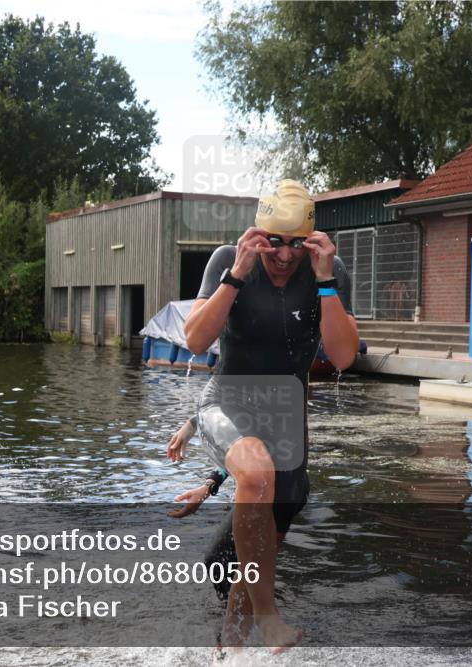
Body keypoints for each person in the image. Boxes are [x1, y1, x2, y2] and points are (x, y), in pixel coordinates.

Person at [183, 180, 358, 652]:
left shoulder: (329, 270)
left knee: (253, 559)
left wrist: (323, 281)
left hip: (287, 426)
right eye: (274, 242)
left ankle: (232, 651)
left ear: (311, 241)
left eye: (296, 244)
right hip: (227, 403)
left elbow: (342, 357)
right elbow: (196, 341)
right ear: (258, 235)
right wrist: (237, 273)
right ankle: (269, 617)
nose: (284, 256)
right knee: (256, 471)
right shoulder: (228, 259)